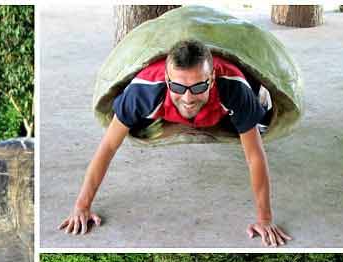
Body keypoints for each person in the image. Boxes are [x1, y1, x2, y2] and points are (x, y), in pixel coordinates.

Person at [59, 39, 292, 247]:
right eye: (178, 87)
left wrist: (265, 220)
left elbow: (254, 156)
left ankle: (250, 104)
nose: (188, 97)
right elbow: (108, 147)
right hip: (161, 111)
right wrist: (81, 206)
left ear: (211, 79)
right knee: (131, 123)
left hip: (225, 108)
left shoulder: (233, 87)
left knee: (260, 124)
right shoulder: (144, 91)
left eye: (198, 87)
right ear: (167, 79)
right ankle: (176, 119)